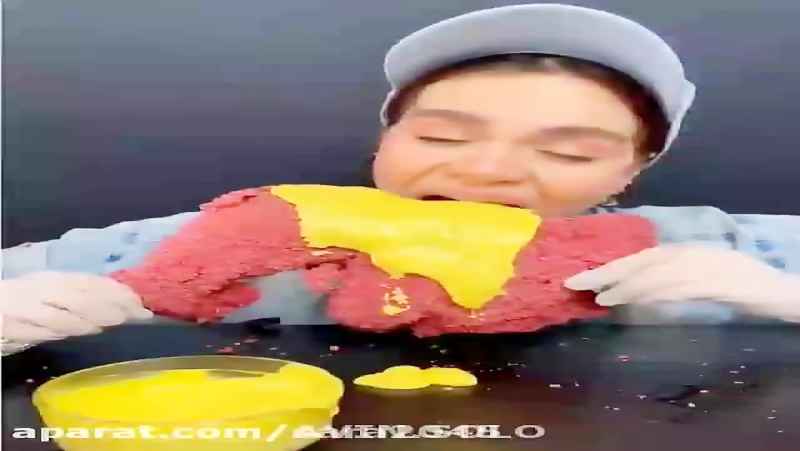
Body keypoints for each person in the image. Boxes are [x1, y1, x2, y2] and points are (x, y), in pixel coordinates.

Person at [2, 4, 799, 356]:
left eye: (567, 153)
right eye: (443, 135)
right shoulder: (215, 245)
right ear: (387, 139)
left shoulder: (718, 247)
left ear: (632, 170)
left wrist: (786, 299)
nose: (486, 170)